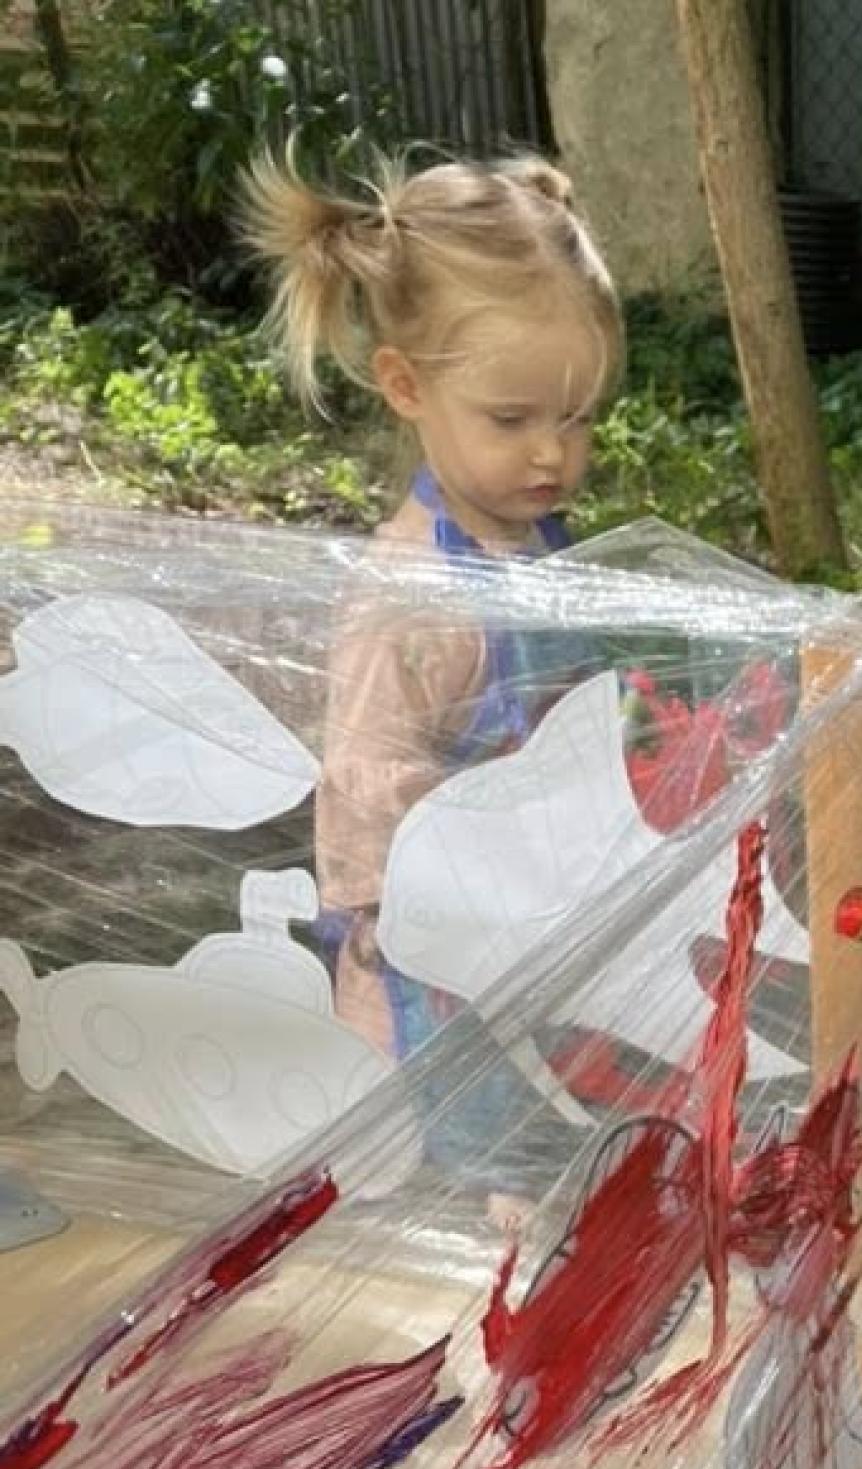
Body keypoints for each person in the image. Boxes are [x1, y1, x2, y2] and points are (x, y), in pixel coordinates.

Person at [241, 148, 623, 1059]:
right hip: (424, 974)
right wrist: (394, 924)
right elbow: (365, 779)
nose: (552, 453)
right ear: (407, 384)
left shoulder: (536, 543)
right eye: (512, 419)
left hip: (525, 941)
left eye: (577, 417)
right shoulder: (412, 596)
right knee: (440, 1142)